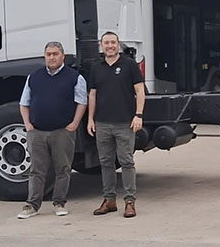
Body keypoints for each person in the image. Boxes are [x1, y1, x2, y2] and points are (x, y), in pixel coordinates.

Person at [17, 41, 87, 219]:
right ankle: (32, 205)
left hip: (62, 132)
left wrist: (74, 124)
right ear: (45, 56)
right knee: (36, 170)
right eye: (48, 54)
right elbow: (24, 103)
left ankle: (59, 202)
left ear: (62, 56)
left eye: (55, 54)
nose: (52, 57)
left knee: (62, 169)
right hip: (37, 132)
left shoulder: (74, 77)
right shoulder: (34, 77)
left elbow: (82, 102)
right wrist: (28, 125)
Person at [88, 31, 146, 218]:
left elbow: (140, 91)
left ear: (118, 44)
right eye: (106, 43)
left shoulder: (129, 65)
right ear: (101, 46)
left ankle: (129, 201)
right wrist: (90, 119)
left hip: (125, 123)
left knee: (126, 162)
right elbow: (92, 95)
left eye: (113, 42)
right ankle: (109, 200)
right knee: (106, 163)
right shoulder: (96, 67)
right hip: (102, 123)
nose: (110, 46)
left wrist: (138, 115)